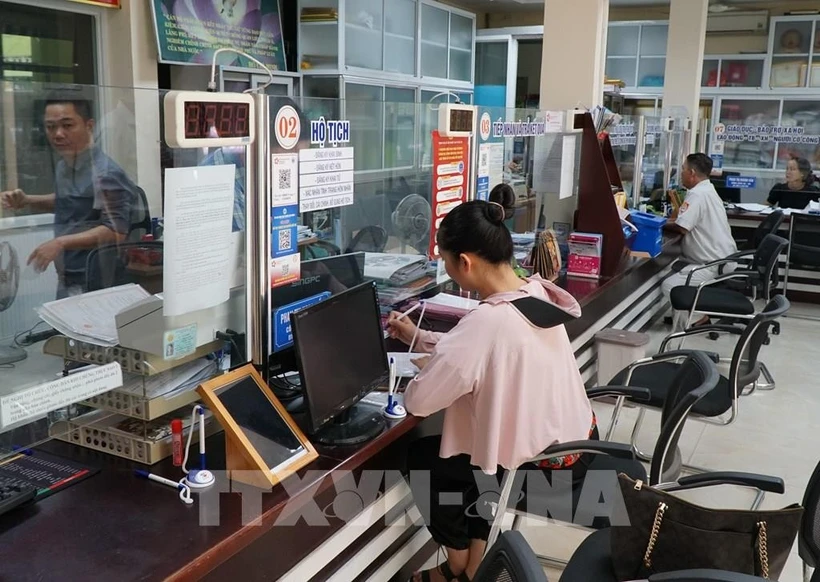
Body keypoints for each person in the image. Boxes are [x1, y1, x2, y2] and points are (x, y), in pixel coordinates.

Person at [387, 199, 597, 582]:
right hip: (579, 442)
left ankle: (456, 565)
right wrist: (420, 337)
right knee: (477, 454)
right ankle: (473, 566)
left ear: (464, 262)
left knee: (423, 458)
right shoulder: (533, 291)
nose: (448, 270)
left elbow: (419, 400)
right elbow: (485, 344)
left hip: (546, 468)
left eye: (447, 262)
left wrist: (430, 366)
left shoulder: (488, 323)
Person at [1, 92, 137, 298]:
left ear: (89, 126)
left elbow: (115, 230)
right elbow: (69, 202)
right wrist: (27, 201)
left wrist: (60, 243)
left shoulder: (105, 173)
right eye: (50, 126)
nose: (58, 134)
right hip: (68, 275)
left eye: (67, 125)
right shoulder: (64, 165)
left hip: (98, 279)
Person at [661, 153, 737, 329]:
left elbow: (682, 227)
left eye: (683, 170)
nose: (681, 174)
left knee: (671, 286)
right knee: (676, 276)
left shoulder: (697, 195)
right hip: (721, 257)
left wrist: (657, 223)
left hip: (712, 263)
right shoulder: (707, 189)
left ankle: (696, 319)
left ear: (692, 173)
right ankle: (686, 318)